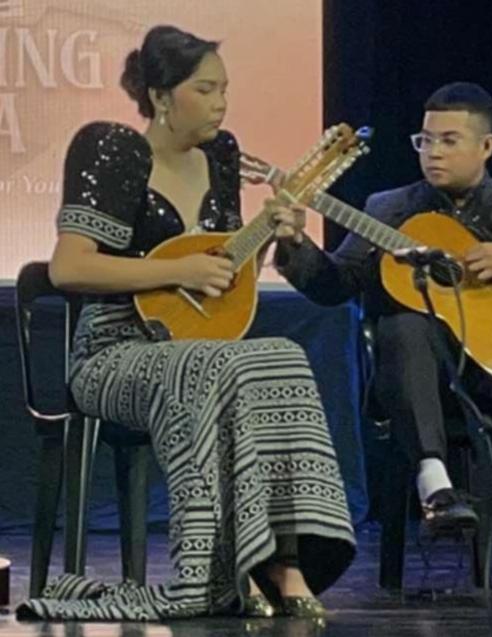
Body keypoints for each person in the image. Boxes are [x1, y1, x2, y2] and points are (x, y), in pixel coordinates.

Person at [16, 25, 355, 621]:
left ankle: (282, 560)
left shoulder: (221, 158)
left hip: (197, 347)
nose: (221, 103)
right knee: (215, 369)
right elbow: (69, 268)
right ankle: (212, 573)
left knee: (283, 356)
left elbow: (222, 276)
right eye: (205, 89)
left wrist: (280, 239)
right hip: (112, 352)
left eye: (224, 89)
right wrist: (180, 270)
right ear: (161, 96)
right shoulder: (111, 150)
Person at [274, 81, 492, 591]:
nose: (433, 152)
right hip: (434, 388)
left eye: (449, 140)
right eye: (425, 140)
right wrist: (296, 244)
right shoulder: (388, 210)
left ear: (486, 146)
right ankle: (436, 485)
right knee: (403, 322)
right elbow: (334, 286)